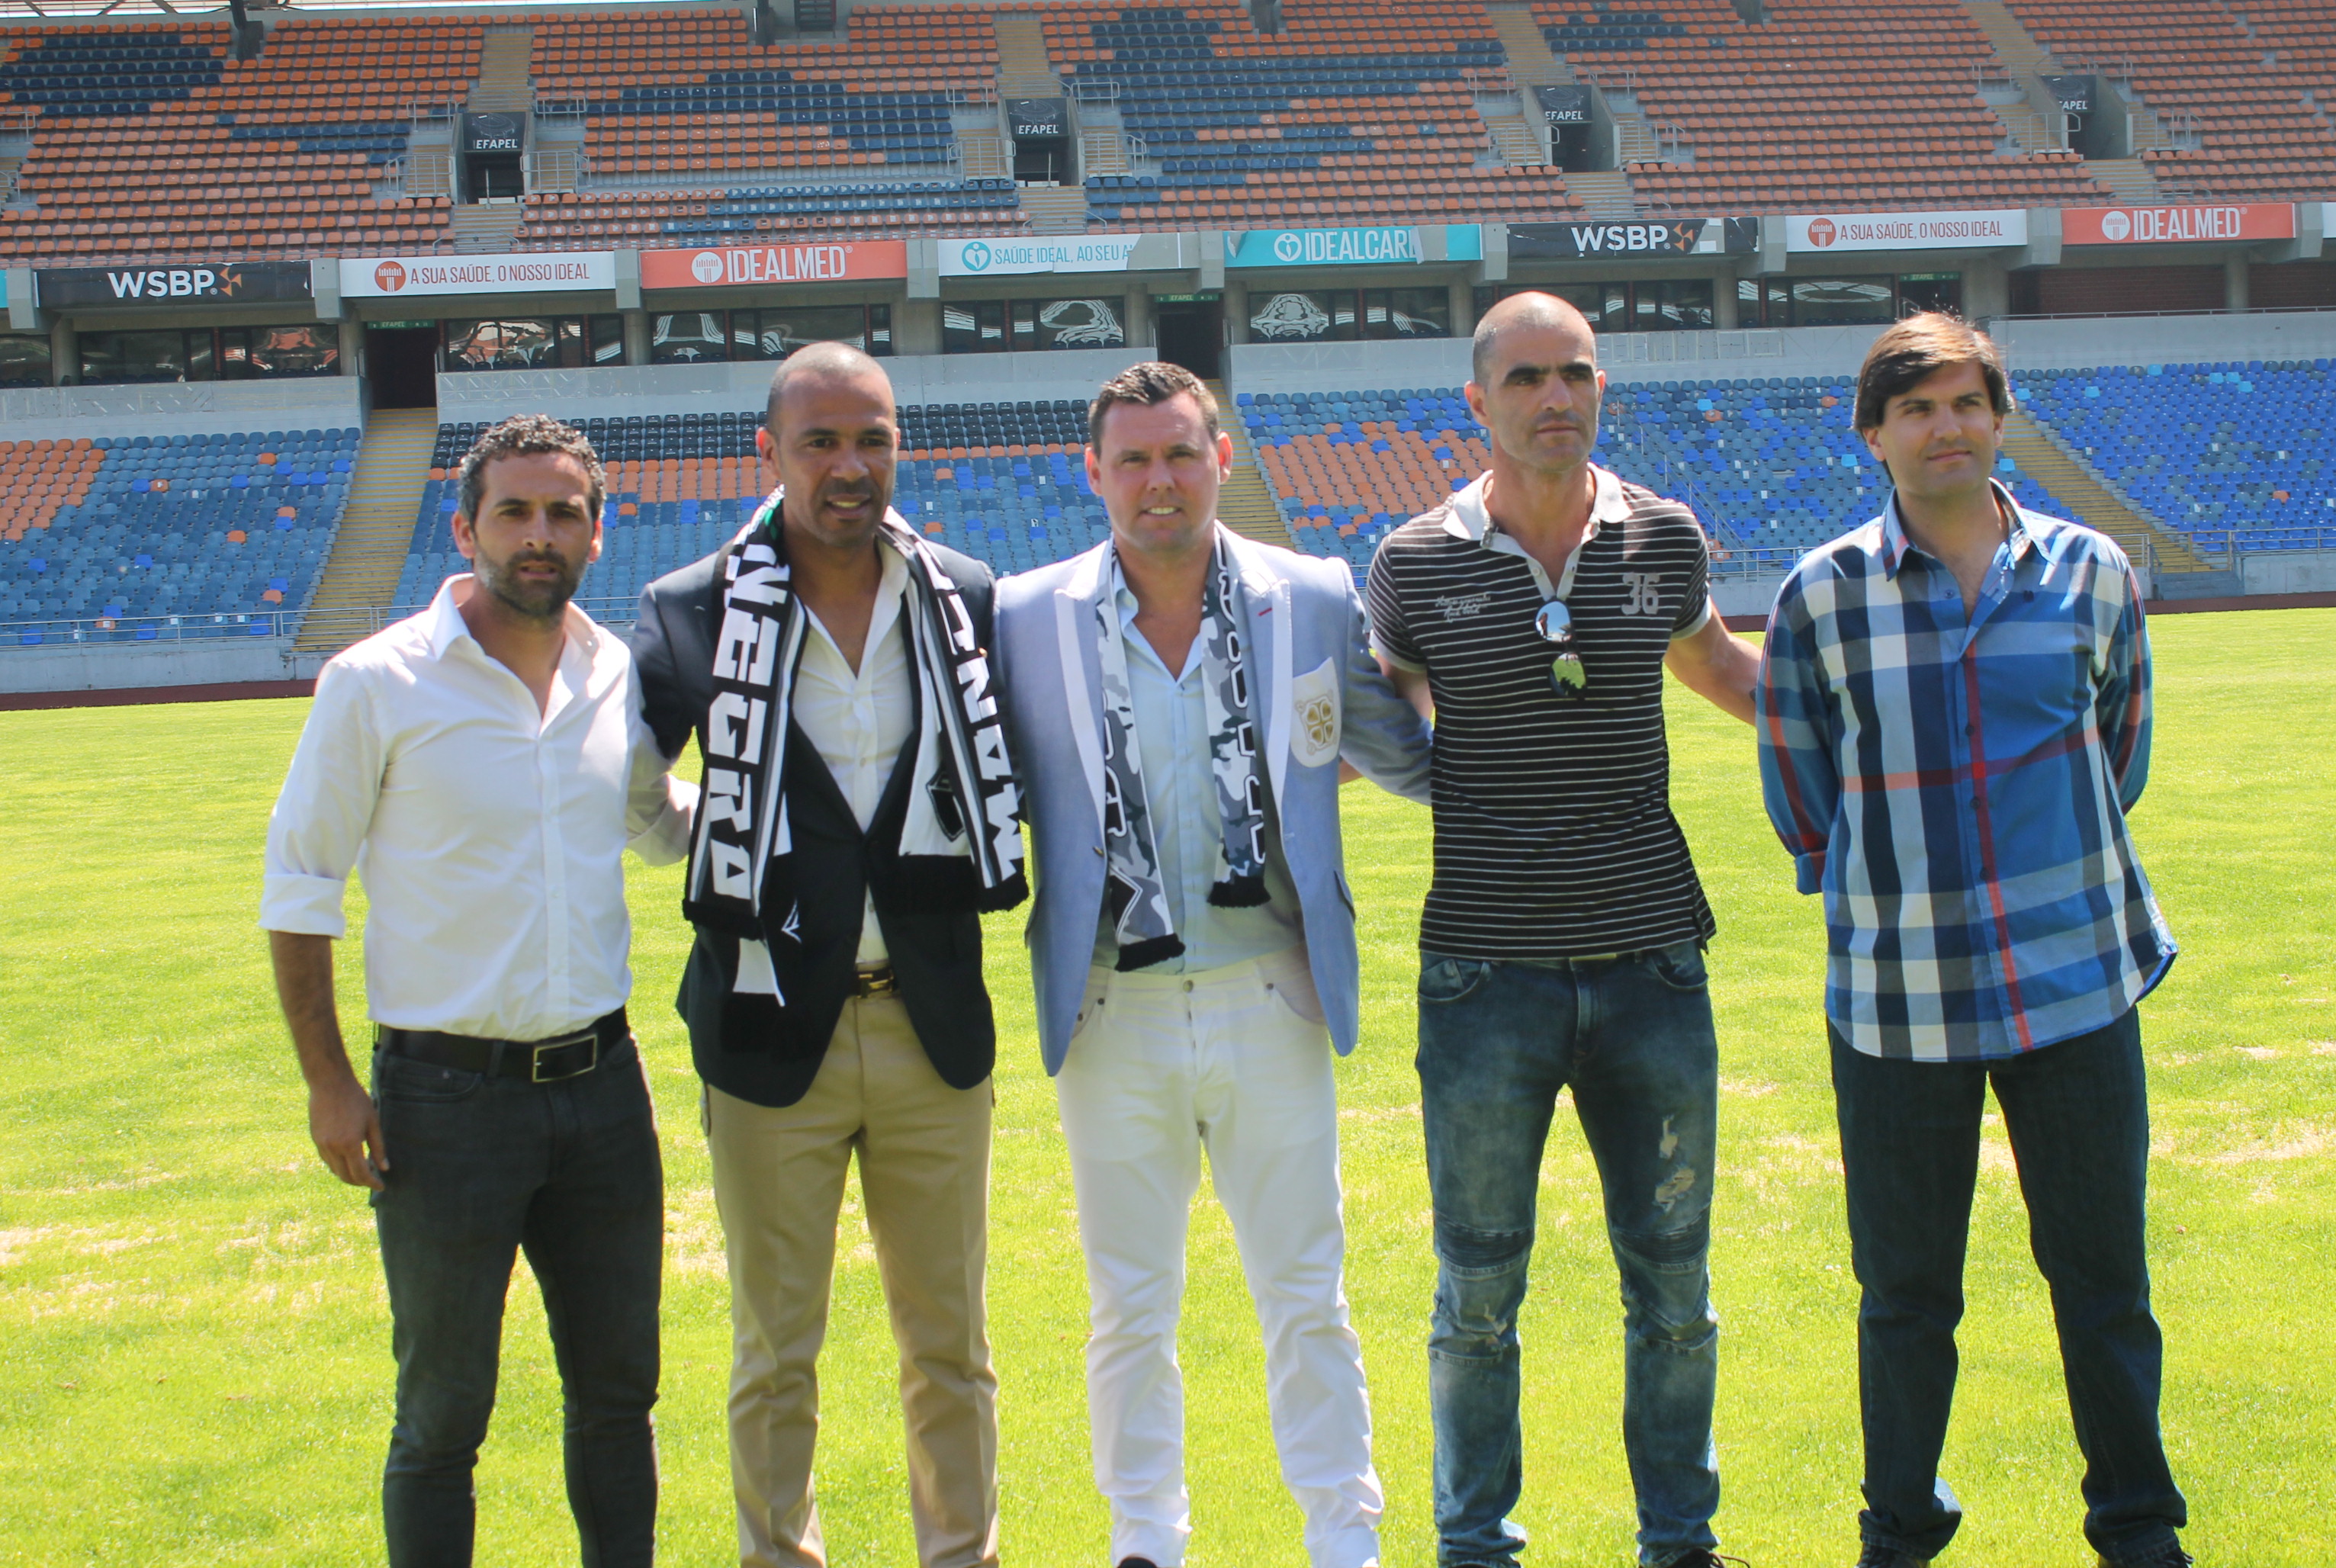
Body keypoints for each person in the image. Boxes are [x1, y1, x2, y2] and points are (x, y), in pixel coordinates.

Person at [1757, 315, 2188, 1568]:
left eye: (1964, 402)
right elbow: (1801, 793)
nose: (1943, 426)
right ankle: (1900, 1529)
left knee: (2104, 1285)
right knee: (1904, 1299)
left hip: (2076, 985)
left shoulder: (2092, 572)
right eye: (1916, 408)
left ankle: (2137, 1525)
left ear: (1998, 416)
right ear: (1875, 434)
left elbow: (2122, 754)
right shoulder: (1821, 595)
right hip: (1899, 1006)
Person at [992, 361, 1432, 1568]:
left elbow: (1395, 751)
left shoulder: (1313, 596)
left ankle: (1344, 1538)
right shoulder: (1026, 615)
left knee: (1308, 1296)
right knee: (1129, 1305)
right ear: (1093, 473)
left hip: (1271, 990)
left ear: (1222, 459)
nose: (1158, 481)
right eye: (1131, 459)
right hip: (1110, 1005)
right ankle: (1146, 1541)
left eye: (1181, 453)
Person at [1362, 292, 1761, 1568]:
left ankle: (1679, 1544)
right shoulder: (1413, 562)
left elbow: (1724, 671)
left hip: (1653, 965)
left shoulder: (1664, 537)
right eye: (1527, 376)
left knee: (1676, 1293)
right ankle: (1476, 1547)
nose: (1555, 396)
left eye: (1576, 373)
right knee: (1477, 1293)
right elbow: (1385, 714)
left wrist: (1875, 730)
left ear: (1602, 390)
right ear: (1476, 402)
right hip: (1486, 980)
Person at [261, 413, 695, 1568]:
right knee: (444, 1414)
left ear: (598, 534)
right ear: (466, 527)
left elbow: (660, 825)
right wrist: (329, 1083)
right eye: (515, 510)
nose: (539, 534)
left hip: (604, 1094)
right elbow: (300, 881)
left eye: (563, 512)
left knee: (618, 1396)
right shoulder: (378, 681)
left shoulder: (614, 676)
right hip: (444, 1102)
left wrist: (796, 805)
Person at [631, 342, 1026, 1568]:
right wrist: (733, 842)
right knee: (773, 1349)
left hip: (929, 1024)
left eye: (873, 438)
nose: (850, 467)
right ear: (770, 451)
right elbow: (626, 788)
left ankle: (962, 1555)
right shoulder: (692, 610)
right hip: (762, 1029)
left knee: (950, 1344)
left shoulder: (963, 592)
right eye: (820, 441)